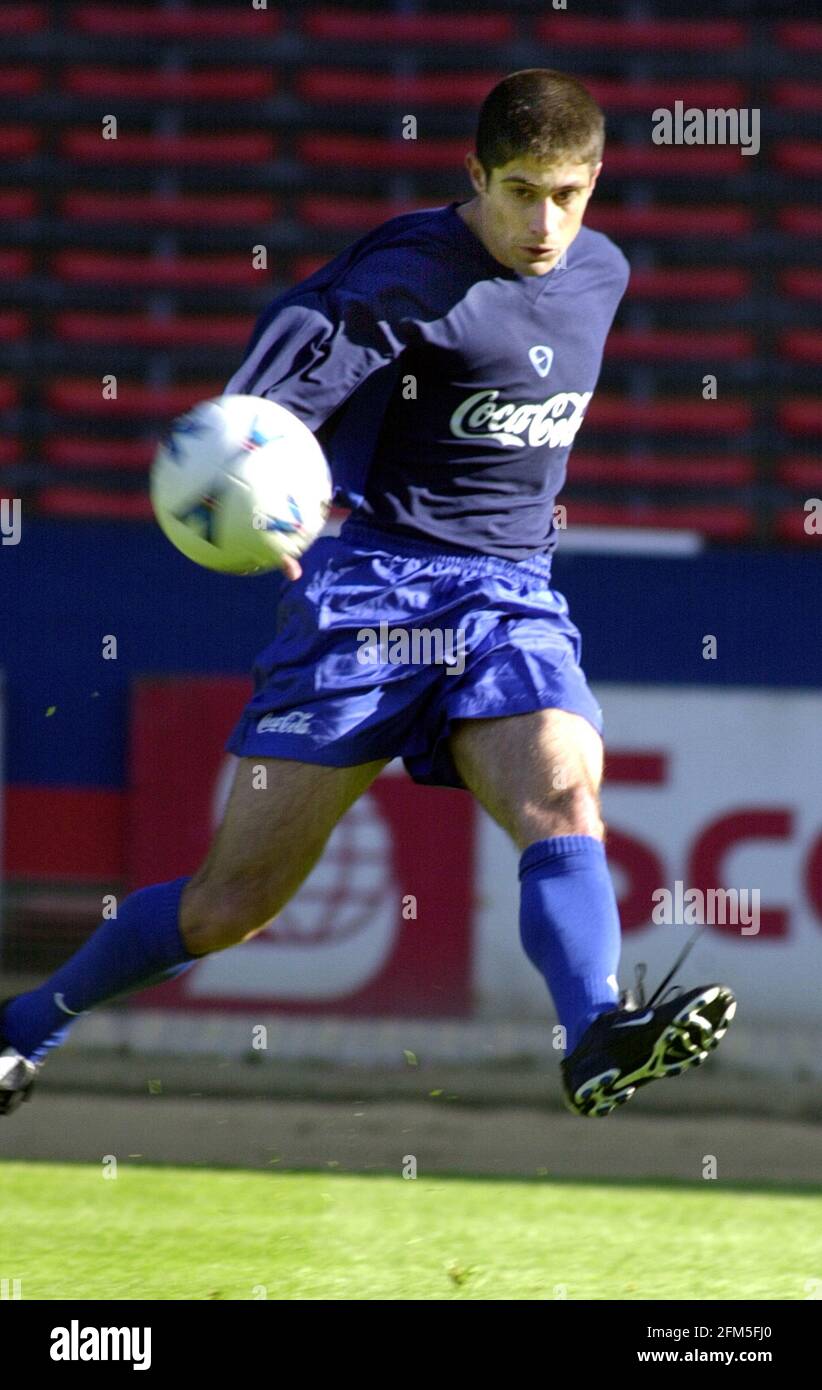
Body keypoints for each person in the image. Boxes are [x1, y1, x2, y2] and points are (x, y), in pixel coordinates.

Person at [1, 69, 735, 1121]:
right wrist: (263, 507)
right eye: (519, 189)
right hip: (372, 598)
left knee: (566, 795)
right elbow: (245, 425)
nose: (543, 220)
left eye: (567, 193)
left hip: (511, 596)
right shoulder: (401, 276)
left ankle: (593, 1034)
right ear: (473, 173)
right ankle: (25, 1025)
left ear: (597, 183)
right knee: (233, 905)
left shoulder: (601, 272)